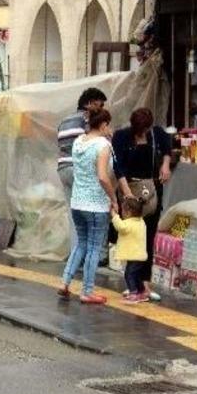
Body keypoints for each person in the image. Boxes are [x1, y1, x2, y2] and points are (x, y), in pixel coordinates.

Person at [57, 109, 117, 304]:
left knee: (81, 243)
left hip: (77, 201)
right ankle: (87, 291)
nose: (109, 128)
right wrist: (113, 198)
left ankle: (65, 282)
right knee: (93, 247)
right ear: (103, 125)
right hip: (95, 204)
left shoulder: (78, 142)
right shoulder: (103, 145)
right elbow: (102, 176)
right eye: (108, 124)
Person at [112, 107, 172, 296]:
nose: (142, 134)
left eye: (145, 130)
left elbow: (168, 148)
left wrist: (165, 164)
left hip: (151, 191)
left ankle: (144, 283)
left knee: (149, 235)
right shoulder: (121, 136)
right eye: (139, 130)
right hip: (129, 189)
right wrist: (128, 195)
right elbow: (118, 166)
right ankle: (133, 282)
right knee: (131, 235)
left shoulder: (157, 134)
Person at [57, 87, 107, 260]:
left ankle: (76, 255)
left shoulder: (64, 120)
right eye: (98, 106)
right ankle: (96, 255)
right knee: (93, 211)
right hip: (79, 170)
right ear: (88, 104)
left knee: (74, 216)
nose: (100, 110)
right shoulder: (87, 119)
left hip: (63, 169)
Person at [112, 196, 149, 303]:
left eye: (123, 210)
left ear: (128, 212)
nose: (122, 213)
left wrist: (114, 215)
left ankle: (133, 293)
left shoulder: (129, 223)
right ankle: (142, 292)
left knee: (129, 274)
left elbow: (121, 227)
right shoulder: (141, 222)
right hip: (140, 255)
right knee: (136, 275)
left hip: (134, 256)